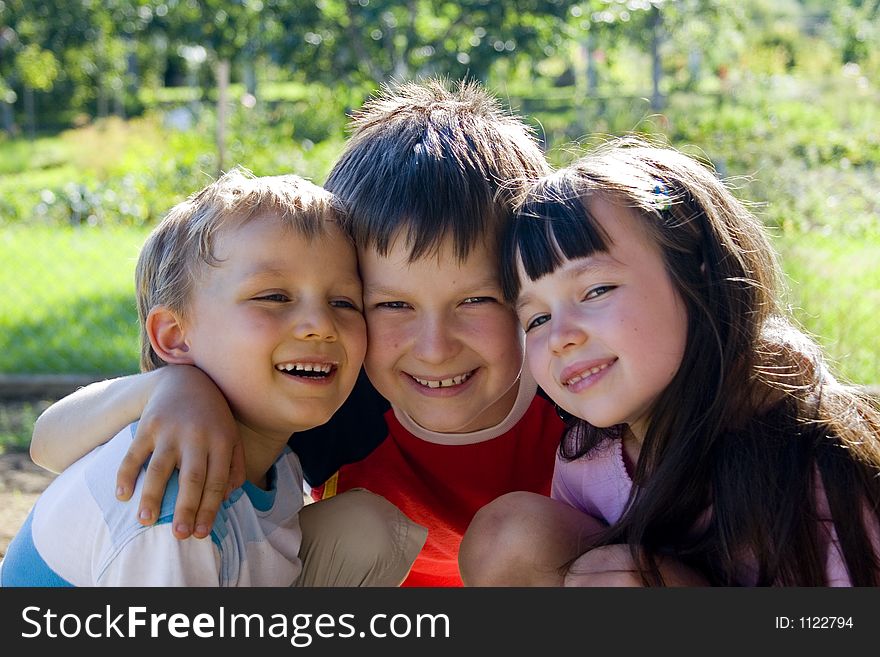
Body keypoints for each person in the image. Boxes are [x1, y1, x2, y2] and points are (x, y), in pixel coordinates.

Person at [28, 79, 573, 587]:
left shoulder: (571, 378)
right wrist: (170, 386)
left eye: (476, 300)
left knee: (521, 533)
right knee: (365, 526)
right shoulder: (331, 389)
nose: (435, 347)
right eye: (390, 304)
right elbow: (48, 443)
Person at [459, 138, 880, 586]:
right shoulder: (587, 461)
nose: (561, 337)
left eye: (596, 291)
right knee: (509, 536)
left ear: (696, 272)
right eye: (537, 318)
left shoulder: (814, 456)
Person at [0, 168, 386, 585]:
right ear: (175, 337)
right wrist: (166, 383)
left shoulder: (278, 459)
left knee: (364, 529)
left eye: (344, 302)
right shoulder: (171, 498)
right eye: (274, 297)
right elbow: (46, 443)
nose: (320, 324)